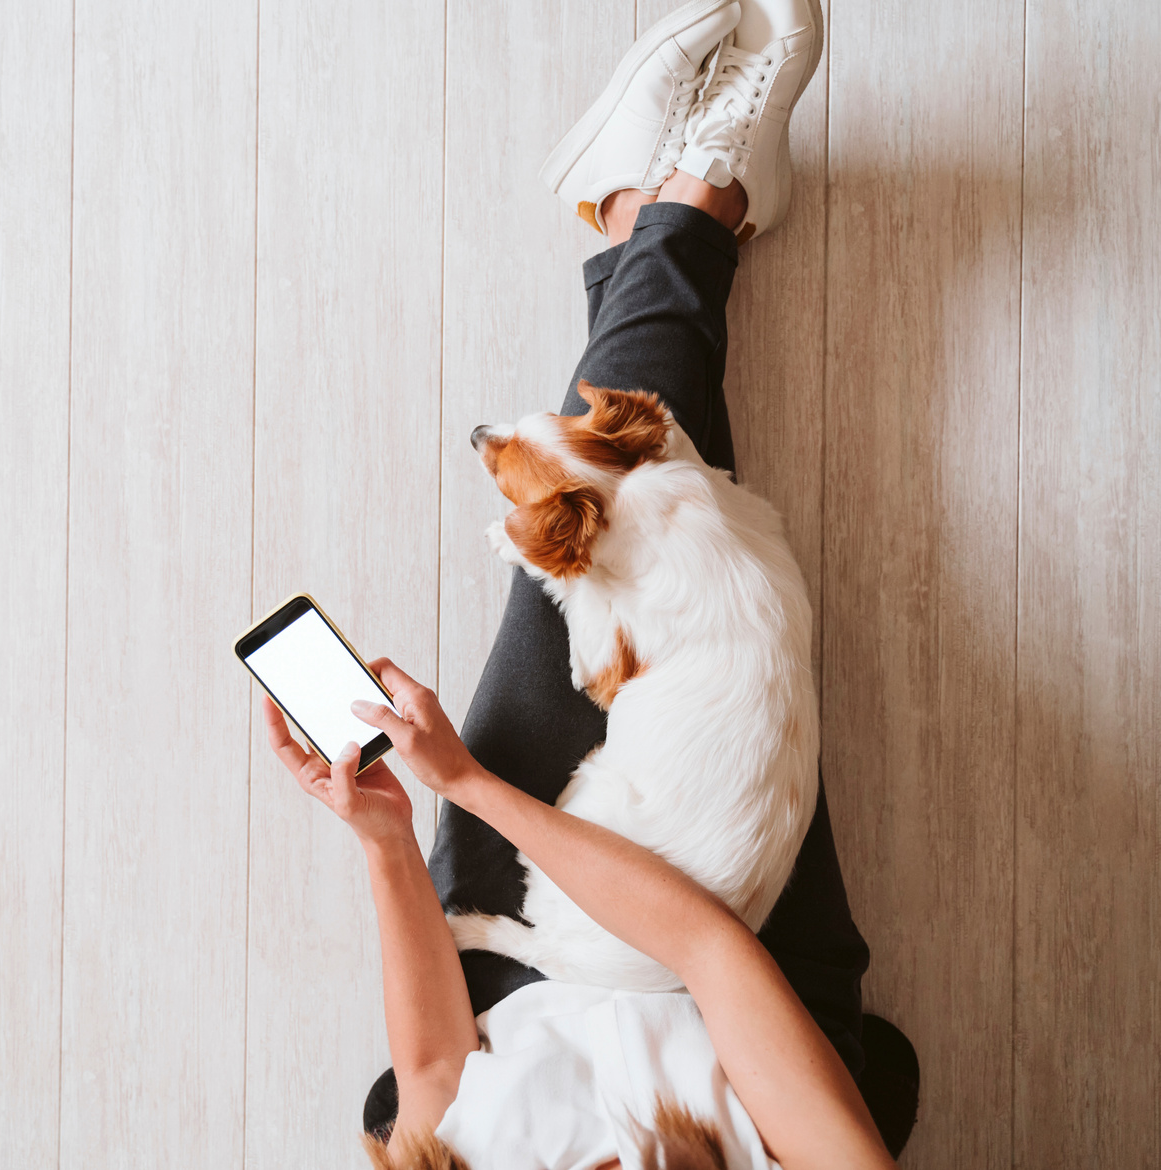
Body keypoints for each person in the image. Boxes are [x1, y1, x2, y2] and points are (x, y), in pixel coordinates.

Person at [266, 1, 915, 1165]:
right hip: (732, 961)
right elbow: (709, 953)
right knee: (676, 549)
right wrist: (468, 785)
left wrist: (383, 833)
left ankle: (661, 211)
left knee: (600, 522)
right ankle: (673, 209)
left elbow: (429, 1079)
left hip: (516, 960)